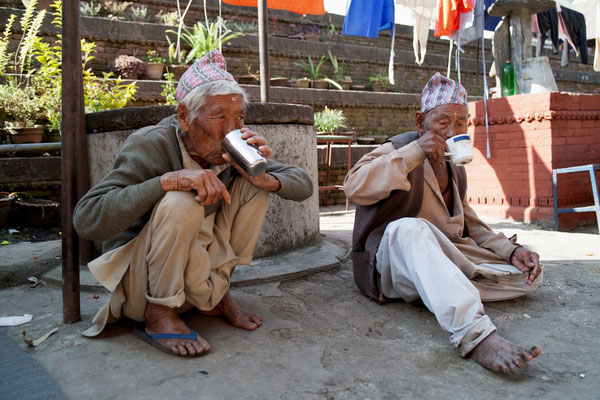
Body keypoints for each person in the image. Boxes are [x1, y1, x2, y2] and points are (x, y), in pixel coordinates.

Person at [73, 50, 313, 357]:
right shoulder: (152, 143)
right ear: (185, 117)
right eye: (219, 116)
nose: (232, 129)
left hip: (197, 283)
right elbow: (86, 218)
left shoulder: (231, 150)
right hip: (142, 289)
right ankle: (160, 314)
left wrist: (263, 175)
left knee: (256, 185)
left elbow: (302, 183)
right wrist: (167, 181)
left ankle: (216, 297)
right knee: (180, 200)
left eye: (239, 116)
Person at [343, 73, 543, 374]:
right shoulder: (398, 148)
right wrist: (413, 153)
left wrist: (510, 251)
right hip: (389, 267)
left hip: (434, 262)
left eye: (461, 123)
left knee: (528, 276)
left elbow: (468, 222)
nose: (453, 131)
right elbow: (353, 187)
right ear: (420, 120)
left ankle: (442, 291)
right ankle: (475, 335)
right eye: (442, 122)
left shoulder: (454, 167)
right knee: (409, 228)